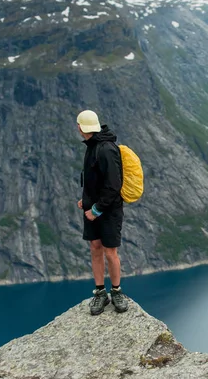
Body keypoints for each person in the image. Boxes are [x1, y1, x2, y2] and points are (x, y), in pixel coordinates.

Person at [76, 109, 129, 315]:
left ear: (81, 127)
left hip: (108, 210)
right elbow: (93, 179)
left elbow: (114, 185)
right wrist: (86, 201)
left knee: (110, 251)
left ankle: (116, 291)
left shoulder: (106, 149)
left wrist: (96, 209)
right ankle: (100, 293)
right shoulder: (92, 146)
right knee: (95, 248)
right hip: (93, 207)